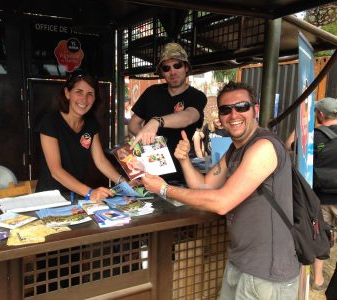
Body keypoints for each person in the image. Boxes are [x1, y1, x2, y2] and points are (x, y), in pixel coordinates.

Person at [142, 81, 300, 299]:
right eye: (226, 109)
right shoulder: (235, 150)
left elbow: (222, 202)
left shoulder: (264, 147)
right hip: (240, 261)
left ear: (255, 110)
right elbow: (205, 185)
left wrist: (163, 189)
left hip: (267, 272)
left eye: (241, 107)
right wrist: (184, 160)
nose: (233, 114)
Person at [35, 69, 125, 201]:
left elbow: (100, 161)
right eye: (79, 92)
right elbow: (56, 171)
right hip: (50, 198)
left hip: (76, 194)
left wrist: (123, 182)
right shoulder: (50, 122)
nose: (84, 99)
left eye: (90, 94)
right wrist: (90, 193)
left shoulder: (91, 124)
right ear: (67, 93)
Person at [128, 42, 207, 183]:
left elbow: (189, 116)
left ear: (186, 67)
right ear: (162, 72)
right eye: (166, 68)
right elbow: (133, 125)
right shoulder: (151, 92)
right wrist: (150, 140)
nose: (173, 72)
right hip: (149, 172)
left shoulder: (196, 96)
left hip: (180, 174)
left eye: (177, 65)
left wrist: (155, 122)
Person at [312, 97, 337, 291]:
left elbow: (289, 147)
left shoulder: (315, 136)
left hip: (320, 198)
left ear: (320, 115)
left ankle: (318, 280)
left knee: (321, 238)